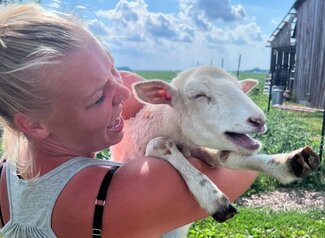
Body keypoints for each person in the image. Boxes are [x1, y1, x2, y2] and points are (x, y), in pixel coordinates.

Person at [0, 3, 258, 238]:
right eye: (99, 96)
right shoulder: (122, 192)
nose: (124, 92)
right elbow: (247, 164)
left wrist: (103, 89)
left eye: (113, 69)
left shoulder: (5, 174)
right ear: (34, 124)